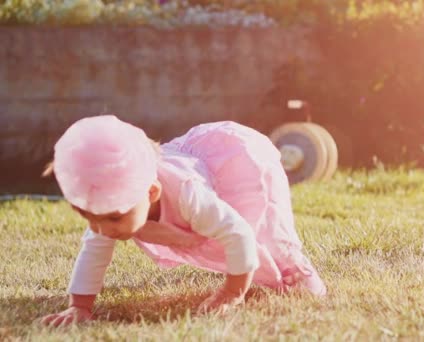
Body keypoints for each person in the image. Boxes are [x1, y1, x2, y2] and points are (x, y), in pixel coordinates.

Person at [39, 115, 326, 327]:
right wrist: (80, 307)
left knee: (265, 230)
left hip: (238, 165)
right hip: (190, 172)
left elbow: (239, 235)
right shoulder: (112, 203)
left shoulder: (190, 196)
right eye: (88, 217)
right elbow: (94, 252)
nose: (102, 230)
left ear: (151, 193)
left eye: (113, 218)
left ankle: (295, 267)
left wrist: (231, 293)